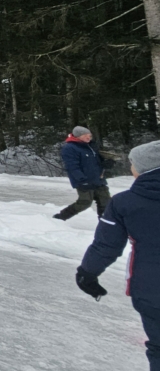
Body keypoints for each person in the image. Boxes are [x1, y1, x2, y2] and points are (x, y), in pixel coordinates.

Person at [75, 140, 160, 369]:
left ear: (144, 168)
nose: (130, 168)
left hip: (153, 291)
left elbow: (106, 245)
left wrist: (87, 273)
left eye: (132, 164)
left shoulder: (124, 202)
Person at [55, 126, 111, 221]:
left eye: (90, 135)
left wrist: (107, 163)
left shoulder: (91, 146)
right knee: (85, 202)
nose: (89, 137)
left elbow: (97, 162)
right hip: (84, 180)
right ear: (78, 136)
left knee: (106, 202)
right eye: (85, 135)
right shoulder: (70, 148)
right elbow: (72, 166)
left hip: (98, 179)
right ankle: (60, 217)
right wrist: (82, 179)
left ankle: (105, 222)